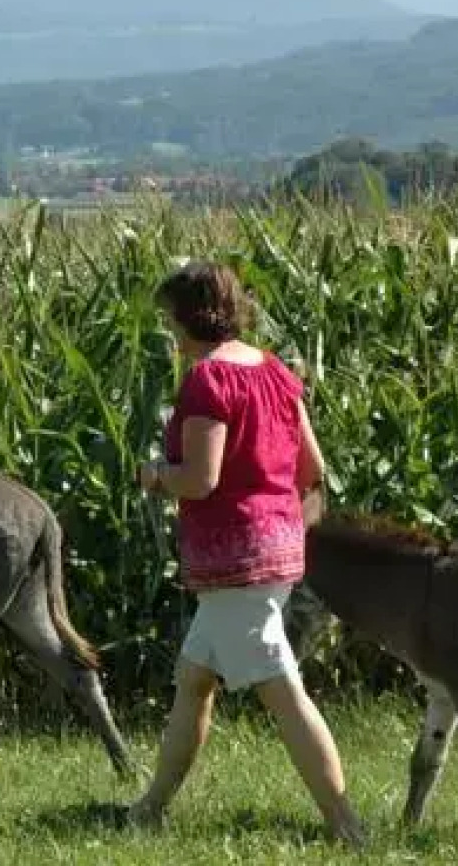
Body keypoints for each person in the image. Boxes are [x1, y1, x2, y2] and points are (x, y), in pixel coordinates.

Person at [127, 260, 365, 848]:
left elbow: (201, 479)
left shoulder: (208, 381)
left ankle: (346, 825)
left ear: (187, 318)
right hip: (278, 548)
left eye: (170, 319)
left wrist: (154, 475)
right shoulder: (276, 371)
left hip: (237, 561)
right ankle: (149, 809)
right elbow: (313, 469)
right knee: (194, 680)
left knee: (283, 692)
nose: (170, 332)